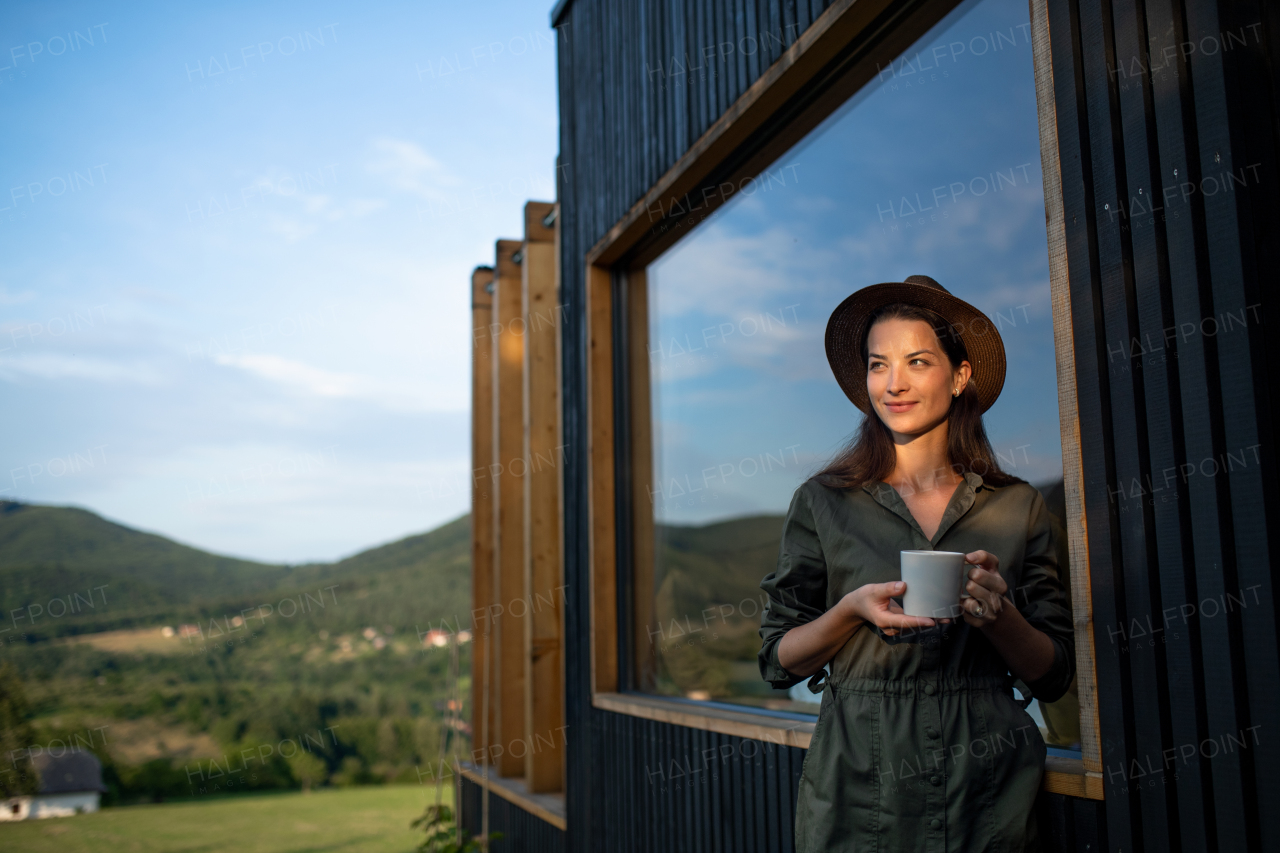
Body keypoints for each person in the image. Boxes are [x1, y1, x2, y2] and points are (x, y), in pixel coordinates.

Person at [758, 275, 1075, 852]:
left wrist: (998, 615)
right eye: (878, 365)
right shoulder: (823, 501)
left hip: (989, 784)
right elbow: (777, 660)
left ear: (959, 377)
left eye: (917, 361)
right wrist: (851, 612)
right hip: (859, 781)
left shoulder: (1017, 506)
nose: (893, 384)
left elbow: (1053, 674)